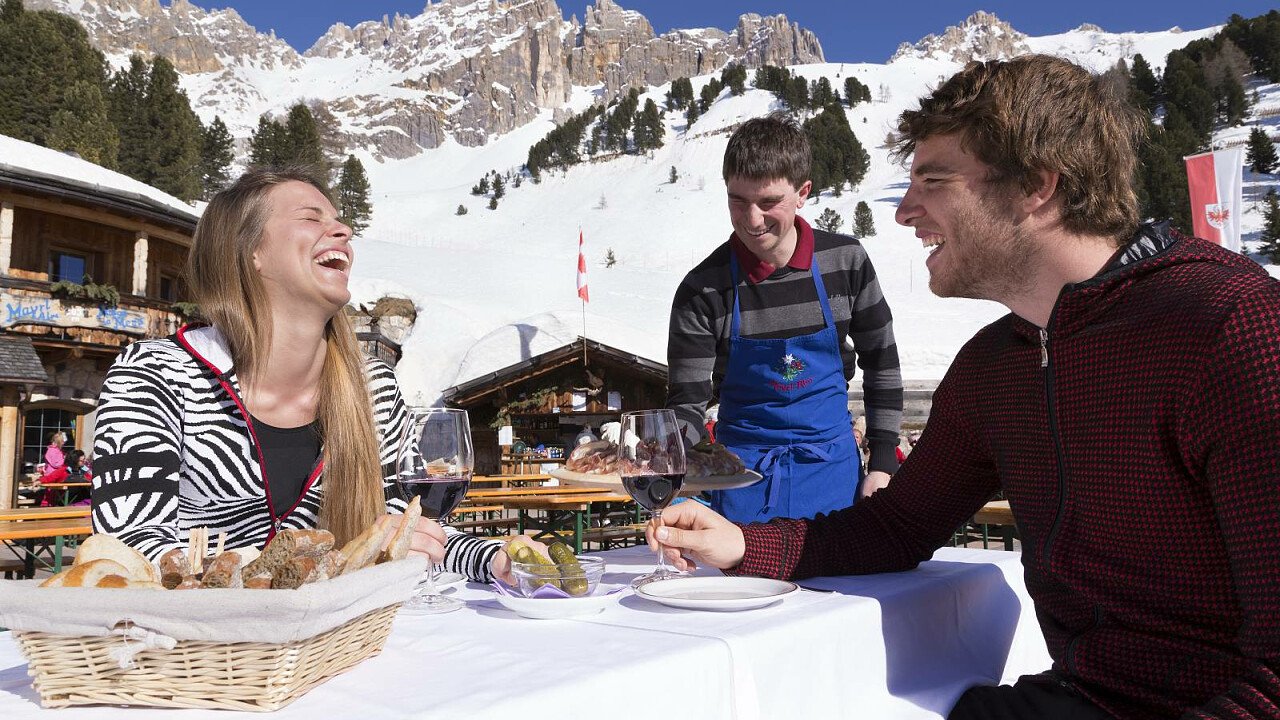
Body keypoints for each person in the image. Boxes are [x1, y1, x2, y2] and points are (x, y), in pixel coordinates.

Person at [648, 55, 1280, 720]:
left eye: (934, 181)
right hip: (1085, 696)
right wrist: (747, 545)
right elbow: (897, 527)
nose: (904, 213)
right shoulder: (995, 364)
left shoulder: (1232, 330)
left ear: (1034, 185)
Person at [92, 168, 536, 584]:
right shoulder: (157, 375)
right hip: (205, 654)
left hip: (337, 651)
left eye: (341, 221)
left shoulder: (373, 388)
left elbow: (408, 530)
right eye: (311, 218)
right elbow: (129, 549)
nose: (343, 231)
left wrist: (498, 560)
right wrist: (310, 569)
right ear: (251, 253)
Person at [667, 113, 904, 523]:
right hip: (741, 487)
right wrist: (678, 475)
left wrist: (883, 460)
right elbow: (687, 405)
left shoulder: (846, 263)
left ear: (802, 192)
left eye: (768, 202)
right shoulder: (702, 290)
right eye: (737, 201)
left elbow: (882, 363)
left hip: (835, 478)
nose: (752, 219)